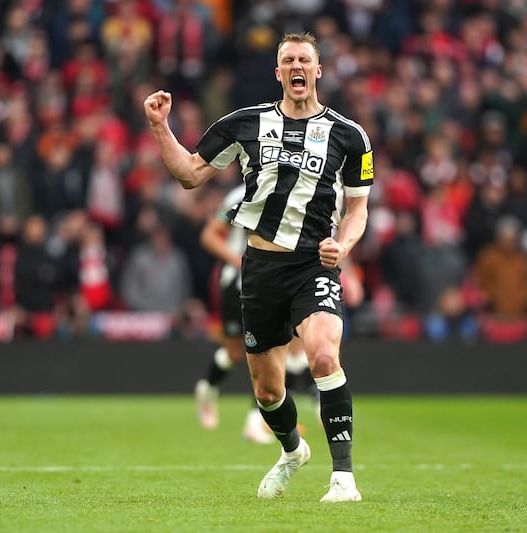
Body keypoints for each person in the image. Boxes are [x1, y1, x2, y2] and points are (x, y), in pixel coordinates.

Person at [144, 32, 371, 502]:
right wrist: (160, 127)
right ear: (278, 73)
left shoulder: (349, 136)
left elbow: (358, 210)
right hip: (261, 271)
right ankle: (292, 451)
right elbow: (189, 175)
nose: (297, 67)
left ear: (318, 70)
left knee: (324, 356)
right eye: (288, 60)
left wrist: (343, 247)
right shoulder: (245, 124)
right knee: (268, 392)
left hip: (315, 265)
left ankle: (344, 479)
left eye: (304, 60)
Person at [194, 183, 316, 445]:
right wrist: (239, 261)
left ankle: (256, 421)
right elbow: (210, 235)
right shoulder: (240, 195)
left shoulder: (299, 186)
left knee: (271, 348)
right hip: (237, 282)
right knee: (236, 353)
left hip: (274, 282)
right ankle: (207, 387)